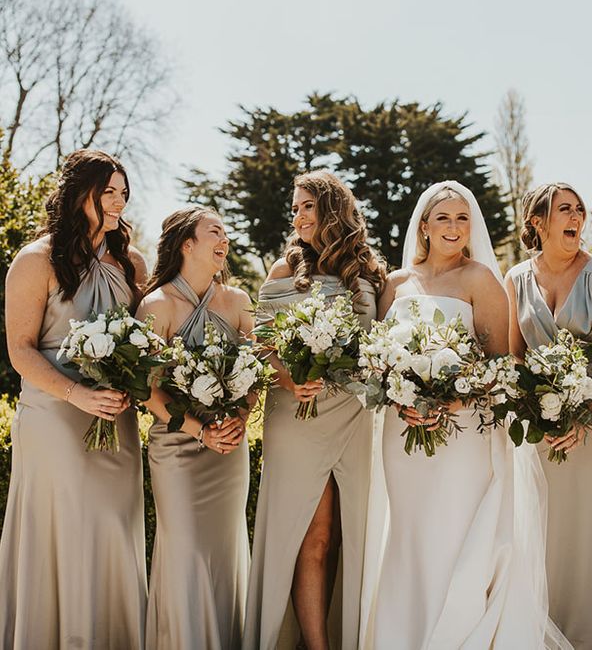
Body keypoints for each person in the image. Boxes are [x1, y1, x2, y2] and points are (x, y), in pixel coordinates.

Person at [360, 180, 570, 649]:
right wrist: (401, 399)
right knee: (411, 535)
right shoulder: (395, 285)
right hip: (403, 433)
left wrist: (453, 400)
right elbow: (375, 359)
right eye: (444, 218)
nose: (454, 227)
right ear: (425, 227)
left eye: (462, 218)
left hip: (463, 433)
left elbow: (500, 362)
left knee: (454, 533)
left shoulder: (480, 280)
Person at [0, 149, 148, 649]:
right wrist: (76, 394)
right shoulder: (36, 259)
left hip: (116, 419)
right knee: (68, 527)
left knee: (113, 527)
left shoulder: (132, 263)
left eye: (123, 193)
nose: (118, 202)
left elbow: (147, 341)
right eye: (108, 191)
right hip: (55, 416)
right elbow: (19, 350)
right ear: (78, 193)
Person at [243, 170, 386, 650]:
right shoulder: (285, 272)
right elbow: (262, 341)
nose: (298, 215)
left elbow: (382, 342)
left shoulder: (368, 272)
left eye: (307, 206)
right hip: (297, 410)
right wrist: (290, 377)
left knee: (355, 532)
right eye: (296, 207)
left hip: (354, 411)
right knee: (313, 534)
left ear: (332, 210)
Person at [506, 182, 592, 649]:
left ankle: (591, 638)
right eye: (565, 210)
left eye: (579, 210)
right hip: (539, 430)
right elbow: (516, 356)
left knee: (589, 538)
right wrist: (533, 410)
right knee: (543, 539)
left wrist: (587, 415)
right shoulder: (516, 279)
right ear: (538, 223)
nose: (577, 218)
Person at [137, 206, 253, 650]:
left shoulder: (239, 301)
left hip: (229, 448)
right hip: (177, 449)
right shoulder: (157, 304)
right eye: (214, 232)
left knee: (225, 552)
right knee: (184, 552)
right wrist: (198, 431)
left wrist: (238, 421)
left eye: (225, 233)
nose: (224, 240)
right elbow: (146, 391)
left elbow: (254, 373)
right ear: (187, 244)